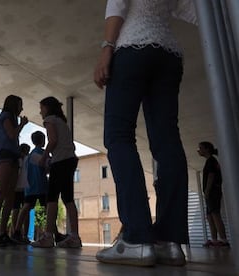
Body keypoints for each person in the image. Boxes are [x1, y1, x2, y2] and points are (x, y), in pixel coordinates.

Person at [93, 0, 197, 267]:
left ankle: (137, 238)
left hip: (133, 48)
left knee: (118, 136)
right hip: (169, 54)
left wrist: (107, 47)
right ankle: (170, 242)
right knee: (167, 141)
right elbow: (194, 11)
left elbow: (117, 4)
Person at [31, 97, 81, 248]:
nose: (40, 111)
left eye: (42, 108)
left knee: (51, 199)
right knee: (68, 199)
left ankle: (47, 236)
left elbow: (52, 140)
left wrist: (44, 158)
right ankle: (74, 237)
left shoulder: (50, 120)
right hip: (70, 160)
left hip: (61, 162)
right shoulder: (62, 121)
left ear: (47, 108)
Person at [0, 95, 28, 247]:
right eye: (20, 105)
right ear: (13, 105)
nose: (21, 109)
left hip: (12, 156)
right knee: (2, 192)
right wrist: (22, 124)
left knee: (10, 195)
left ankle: (2, 232)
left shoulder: (9, 117)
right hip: (6, 155)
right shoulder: (5, 116)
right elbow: (12, 134)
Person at [198, 142, 229, 247]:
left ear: (207, 149)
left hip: (213, 192)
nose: (199, 150)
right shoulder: (209, 161)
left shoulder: (211, 161)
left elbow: (211, 176)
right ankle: (214, 240)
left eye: (201, 148)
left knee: (215, 215)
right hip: (211, 193)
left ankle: (224, 240)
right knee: (210, 216)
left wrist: (207, 191)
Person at [10, 143, 31, 239]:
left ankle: (15, 233)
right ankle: (24, 234)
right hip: (25, 188)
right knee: (25, 211)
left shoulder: (17, 160)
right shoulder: (27, 160)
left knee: (16, 210)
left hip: (16, 188)